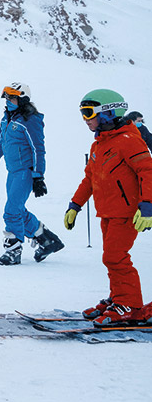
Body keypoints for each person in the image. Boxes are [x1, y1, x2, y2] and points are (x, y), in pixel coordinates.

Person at [64, 90, 152, 325]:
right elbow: (89, 179)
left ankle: (130, 306)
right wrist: (75, 205)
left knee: (116, 257)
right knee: (111, 258)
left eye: (89, 112)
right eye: (82, 113)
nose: (85, 119)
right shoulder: (99, 145)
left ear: (109, 112)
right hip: (107, 212)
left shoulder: (129, 141)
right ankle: (119, 298)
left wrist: (147, 206)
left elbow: (148, 172)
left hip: (127, 212)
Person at [0, 82, 64, 265]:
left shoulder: (30, 120)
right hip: (12, 172)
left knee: (11, 211)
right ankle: (46, 240)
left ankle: (13, 250)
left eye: (12, 98)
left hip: (25, 173)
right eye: (6, 97)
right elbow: (0, 143)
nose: (8, 101)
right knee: (17, 209)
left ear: (22, 99)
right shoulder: (7, 118)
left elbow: (38, 150)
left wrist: (38, 176)